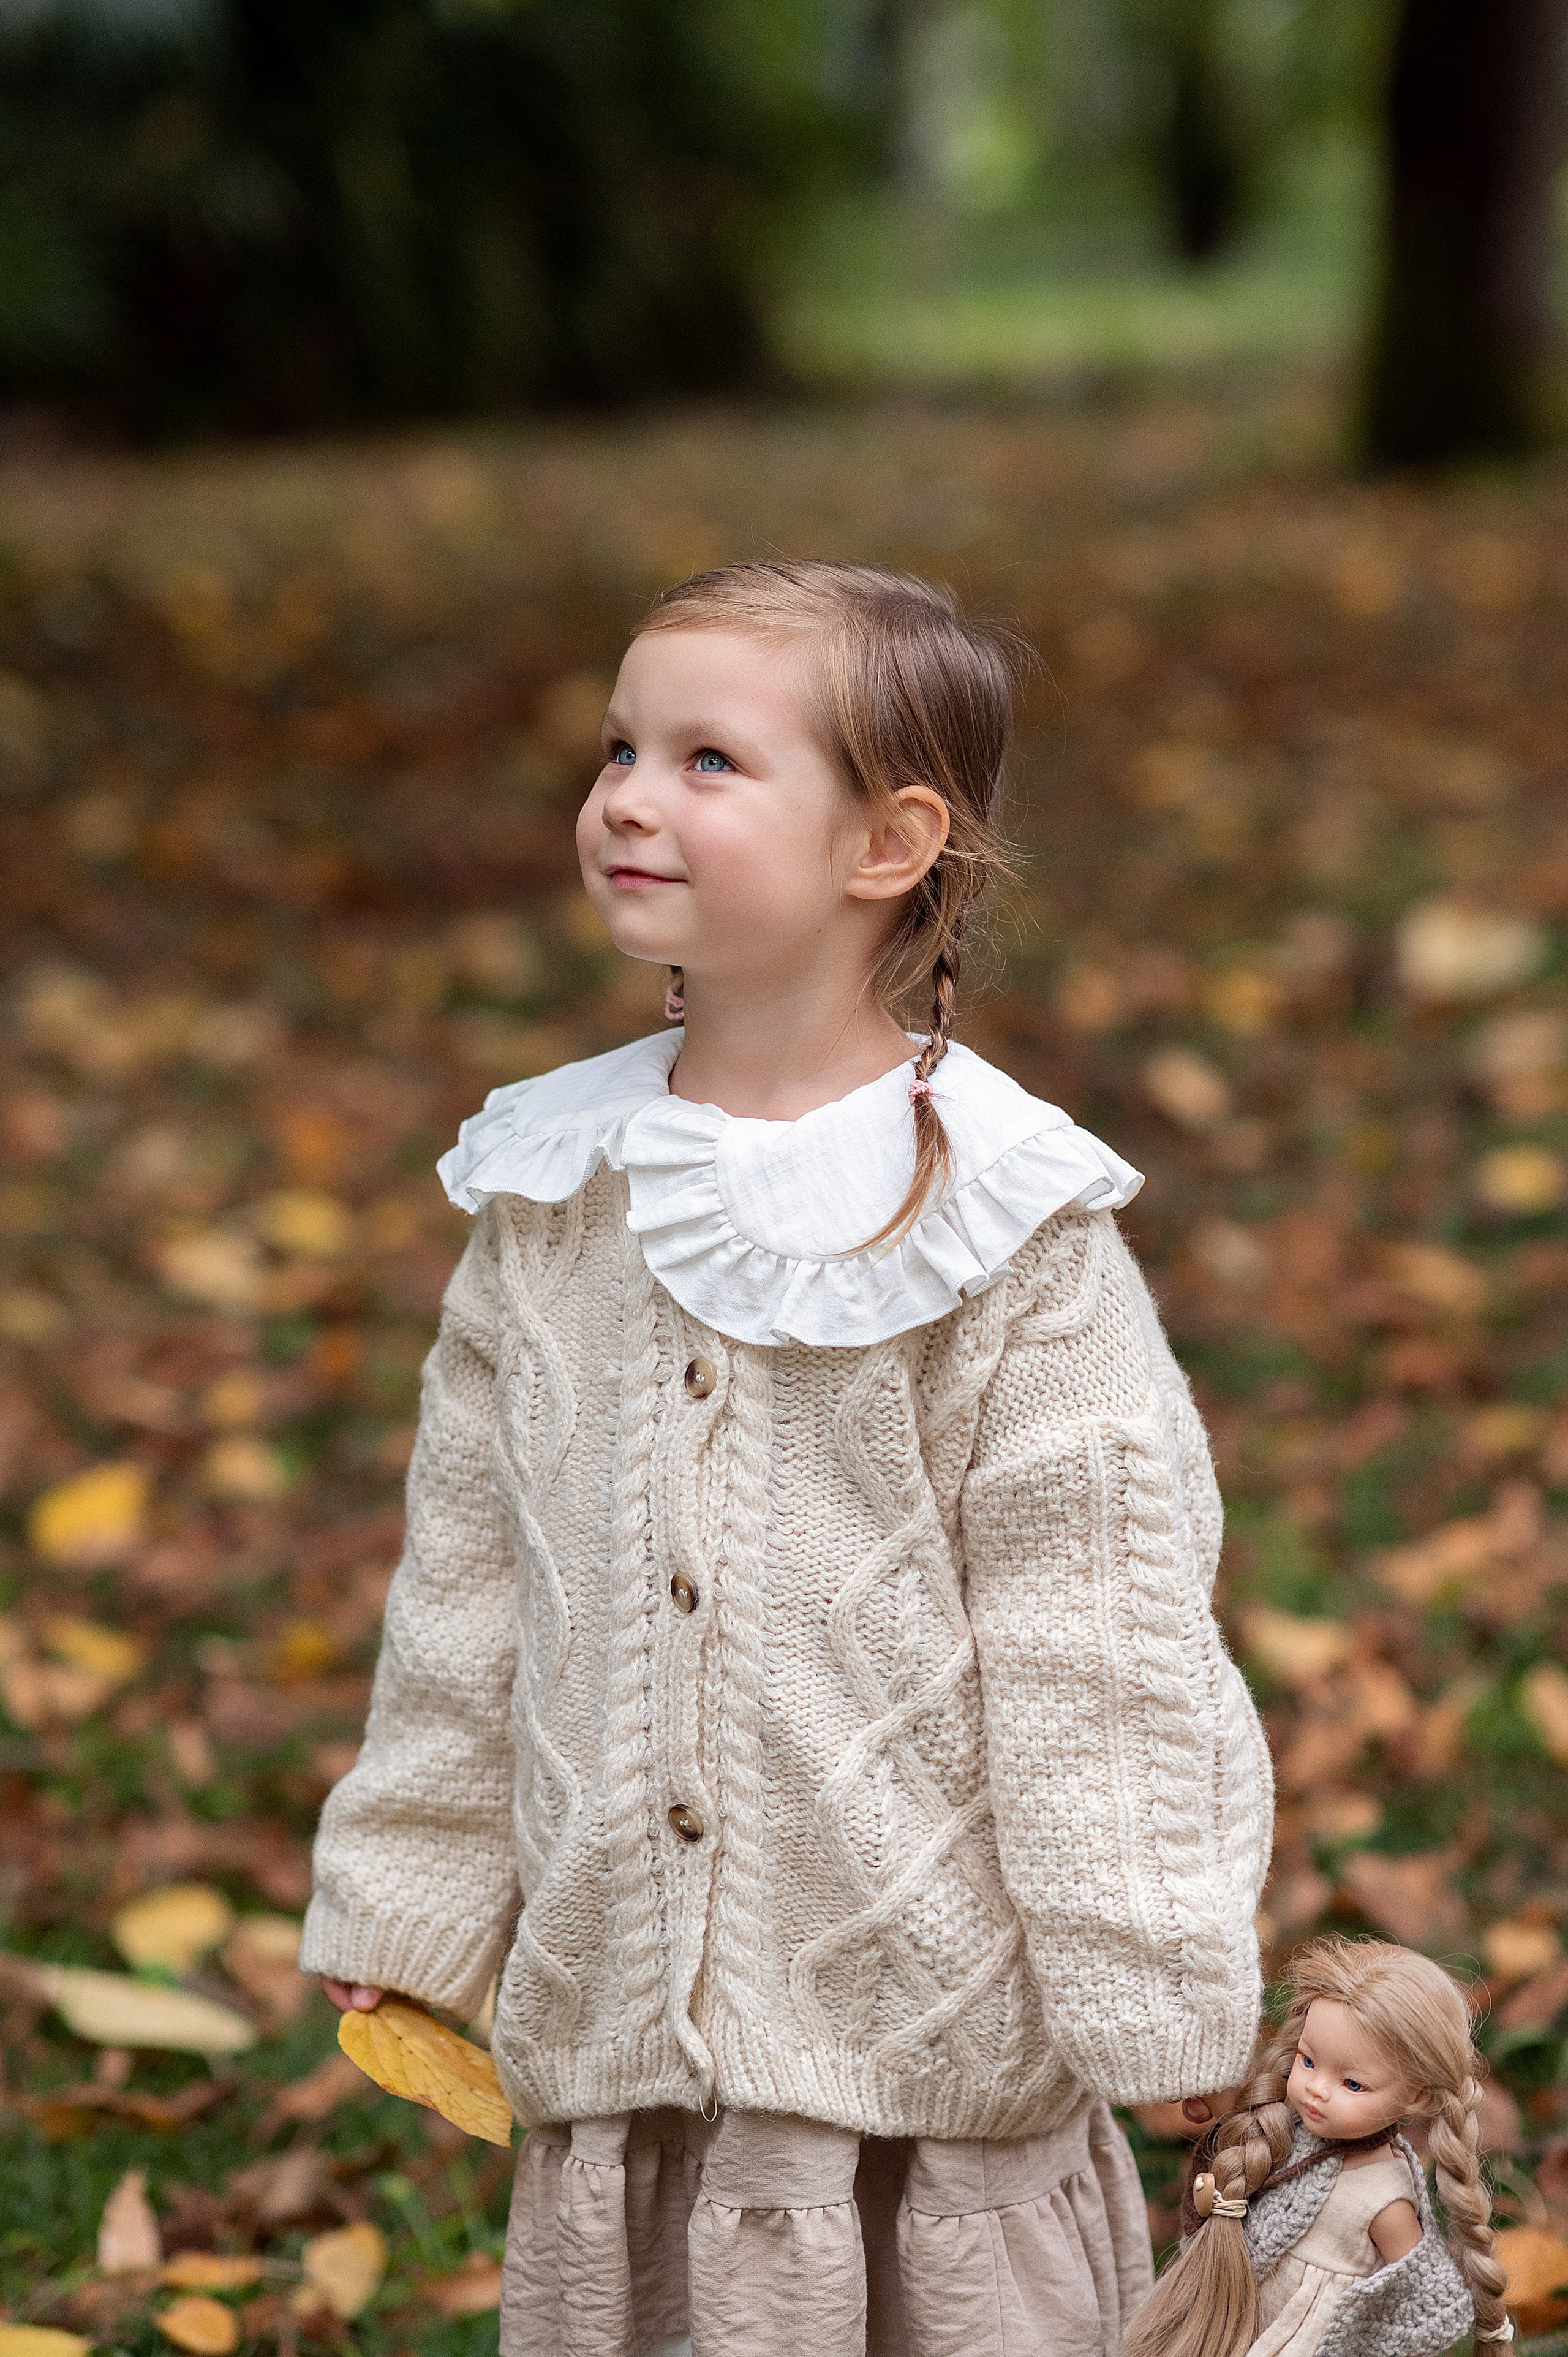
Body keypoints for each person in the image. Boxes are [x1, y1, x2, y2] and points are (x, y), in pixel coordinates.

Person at [298, 559, 1273, 2357]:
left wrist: (1159, 1990)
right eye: (616, 748)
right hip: (626, 2009)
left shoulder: (1003, 1222)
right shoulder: (547, 1190)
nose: (625, 799)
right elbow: (472, 1581)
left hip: (919, 2032)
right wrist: (418, 1892)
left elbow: (1100, 1645)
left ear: (887, 841)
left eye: (706, 760)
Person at [1121, 1934, 1514, 2357]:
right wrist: (1212, 2093)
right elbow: (1241, 2111)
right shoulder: (1280, 2121)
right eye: (1308, 2060)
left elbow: (1422, 2296)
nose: (1316, 2090)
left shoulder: (1384, 2197)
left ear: (1418, 2096)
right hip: (1232, 2312)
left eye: (1353, 2083)